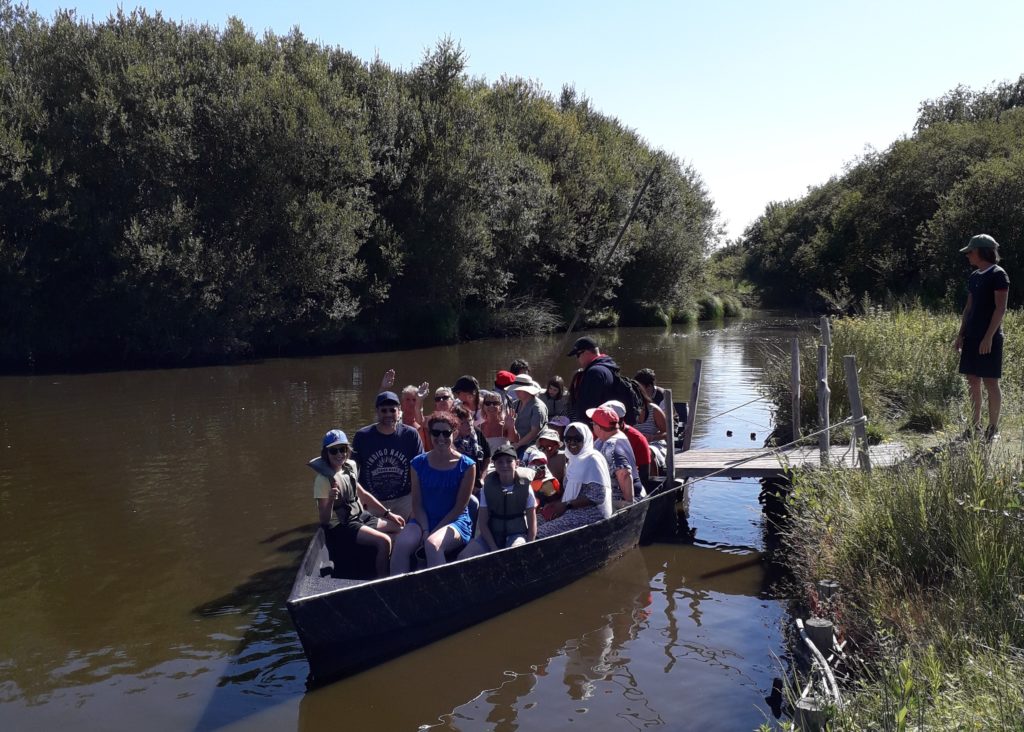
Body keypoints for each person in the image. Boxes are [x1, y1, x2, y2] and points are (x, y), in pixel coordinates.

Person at [390, 413, 476, 574]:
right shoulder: (417, 463)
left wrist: (432, 533)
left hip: (454, 522)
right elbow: (417, 504)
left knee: (432, 544)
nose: (441, 437)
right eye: (436, 433)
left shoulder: (467, 465)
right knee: (401, 543)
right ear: (430, 434)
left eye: (446, 433)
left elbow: (459, 507)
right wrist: (425, 530)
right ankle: (396, 593)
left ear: (454, 433)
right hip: (422, 520)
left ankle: (441, 594)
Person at [312, 430, 405, 578]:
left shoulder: (349, 467)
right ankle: (384, 581)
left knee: (400, 529)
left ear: (347, 450)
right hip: (342, 525)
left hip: (360, 516)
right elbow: (324, 520)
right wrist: (331, 498)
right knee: (384, 541)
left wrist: (388, 514)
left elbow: (364, 495)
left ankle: (376, 562)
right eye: (333, 450)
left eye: (342, 449)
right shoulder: (322, 480)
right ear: (326, 453)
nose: (339, 454)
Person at [955, 234, 1009, 442]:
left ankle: (993, 429)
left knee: (990, 382)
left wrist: (988, 337)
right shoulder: (975, 276)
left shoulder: (998, 274)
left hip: (990, 337)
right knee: (972, 380)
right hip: (972, 336)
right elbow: (969, 308)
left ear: (980, 251)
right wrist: (961, 335)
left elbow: (1000, 308)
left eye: (970, 251)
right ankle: (974, 426)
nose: (968, 255)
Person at [352, 391, 424, 519]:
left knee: (414, 527)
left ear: (399, 410)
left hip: (403, 498)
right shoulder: (362, 436)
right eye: (384, 411)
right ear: (377, 411)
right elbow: (353, 471)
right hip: (372, 500)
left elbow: (419, 470)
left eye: (392, 410)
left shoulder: (411, 435)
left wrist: (418, 500)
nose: (388, 414)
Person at [458, 445, 537, 559]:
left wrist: (530, 547)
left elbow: (532, 524)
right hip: (491, 535)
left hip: (516, 535)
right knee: (464, 556)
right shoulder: (487, 488)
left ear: (517, 463)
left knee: (515, 554)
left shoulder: (526, 488)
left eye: (509, 461)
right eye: (500, 462)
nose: (504, 465)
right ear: (494, 464)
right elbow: (483, 524)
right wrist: (493, 548)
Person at [537, 423, 612, 538]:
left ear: (586, 439)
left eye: (577, 439)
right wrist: (555, 504)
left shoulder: (593, 459)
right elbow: (568, 492)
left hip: (590, 513)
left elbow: (598, 496)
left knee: (539, 532)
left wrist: (566, 505)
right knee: (534, 522)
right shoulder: (572, 460)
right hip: (571, 508)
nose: (572, 443)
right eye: (568, 439)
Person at [588, 405, 642, 509]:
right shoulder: (618, 435)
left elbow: (624, 474)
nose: (592, 426)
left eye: (593, 424)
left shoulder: (611, 447)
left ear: (598, 427)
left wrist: (628, 505)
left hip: (619, 501)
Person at [567, 336, 622, 423]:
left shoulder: (594, 372)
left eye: (578, 355)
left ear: (587, 352)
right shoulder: (608, 366)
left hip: (597, 426)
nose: (577, 359)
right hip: (607, 422)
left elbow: (588, 407)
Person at [631, 384, 668, 474]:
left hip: (654, 443)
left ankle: (652, 481)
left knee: (647, 451)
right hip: (635, 443)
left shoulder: (654, 410)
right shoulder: (628, 411)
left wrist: (652, 437)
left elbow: (668, 434)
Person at [453, 403, 490, 489]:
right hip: (458, 485)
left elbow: (487, 458)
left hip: (478, 484)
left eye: (469, 420)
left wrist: (482, 478)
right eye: (463, 423)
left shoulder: (477, 432)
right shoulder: (450, 439)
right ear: (455, 425)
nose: (468, 425)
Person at [511, 374, 548, 455]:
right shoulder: (515, 404)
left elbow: (533, 433)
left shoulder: (537, 407)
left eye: (519, 390)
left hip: (533, 444)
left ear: (528, 390)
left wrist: (517, 445)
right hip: (516, 442)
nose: (516, 392)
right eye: (516, 389)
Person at [479, 388, 518, 455]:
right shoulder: (479, 427)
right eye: (488, 403)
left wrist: (511, 427)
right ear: (483, 407)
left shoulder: (505, 425)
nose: (491, 406)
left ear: (500, 407)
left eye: (495, 403)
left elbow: (514, 440)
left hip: (503, 460)